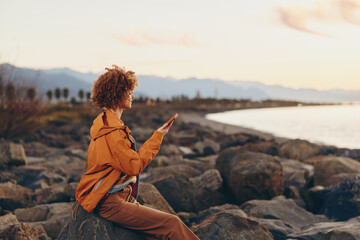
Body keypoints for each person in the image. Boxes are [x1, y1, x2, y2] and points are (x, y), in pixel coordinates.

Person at [75, 65, 199, 240]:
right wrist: (158, 137)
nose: (132, 96)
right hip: (109, 201)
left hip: (116, 196)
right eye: (129, 92)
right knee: (172, 224)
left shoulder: (104, 124)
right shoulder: (113, 132)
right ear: (117, 94)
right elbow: (134, 165)